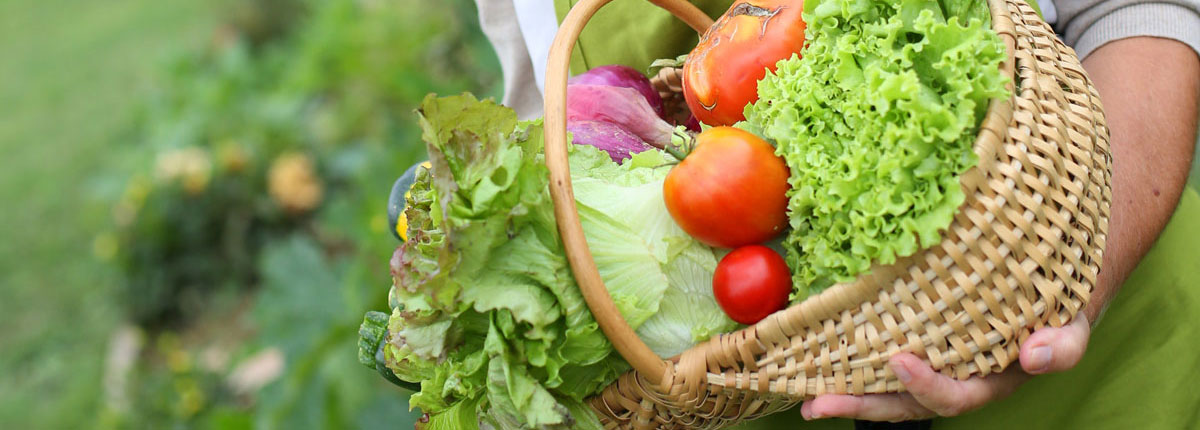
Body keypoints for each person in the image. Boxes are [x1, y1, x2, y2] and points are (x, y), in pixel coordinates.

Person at [473, 0, 1200, 427]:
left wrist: (1068, 286)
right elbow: (558, 120)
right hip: (752, 373)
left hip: (1102, 379)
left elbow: (1133, 10)